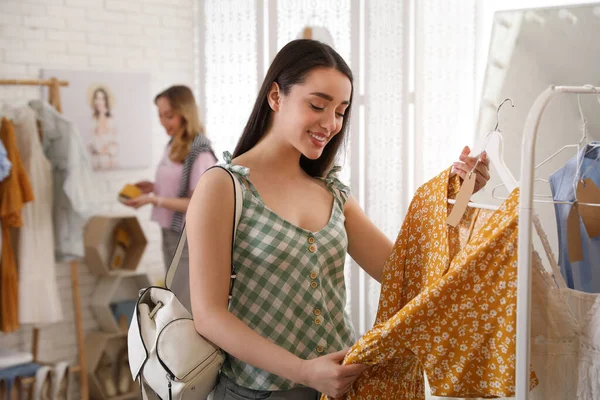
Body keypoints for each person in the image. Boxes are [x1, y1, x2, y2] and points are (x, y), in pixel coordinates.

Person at [186, 40, 490, 400]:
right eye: (317, 105)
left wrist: (459, 198)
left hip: (338, 392)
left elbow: (411, 275)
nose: (330, 123)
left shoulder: (333, 194)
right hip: (258, 392)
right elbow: (209, 316)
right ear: (275, 96)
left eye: (341, 111)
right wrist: (303, 371)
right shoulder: (223, 187)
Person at [124, 85, 217, 280]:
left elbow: (198, 203)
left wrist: (153, 200)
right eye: (160, 115)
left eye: (169, 116)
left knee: (182, 295)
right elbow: (177, 187)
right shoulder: (173, 144)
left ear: (185, 113)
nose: (163, 122)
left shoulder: (200, 152)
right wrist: (153, 187)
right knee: (173, 290)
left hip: (187, 235)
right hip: (169, 230)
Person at [89, 86, 118, 170]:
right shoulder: (93, 120)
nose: (99, 102)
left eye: (102, 99)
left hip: (108, 161)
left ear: (106, 101)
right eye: (97, 98)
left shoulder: (111, 120)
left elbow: (115, 145)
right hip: (95, 162)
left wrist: (106, 150)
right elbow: (90, 144)